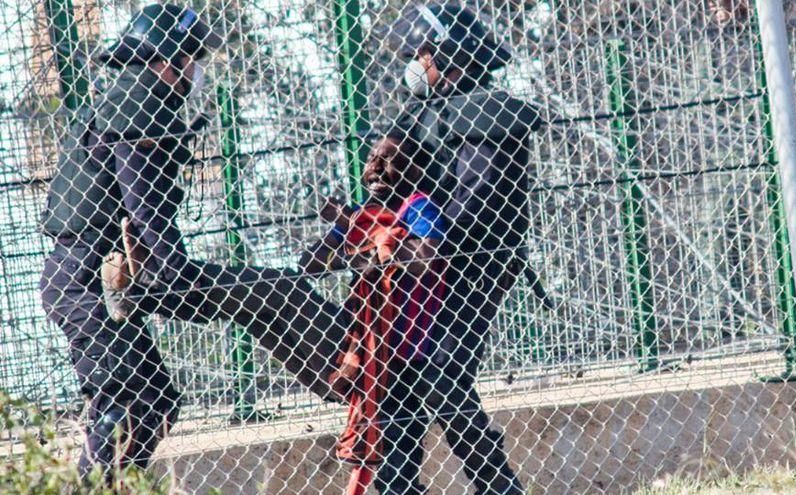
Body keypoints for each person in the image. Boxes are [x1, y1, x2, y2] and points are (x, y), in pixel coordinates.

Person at [39, 4, 345, 479]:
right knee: (128, 401)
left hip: (94, 283)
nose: (196, 70)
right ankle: (94, 486)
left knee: (155, 399)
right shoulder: (137, 102)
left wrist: (169, 273)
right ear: (168, 58)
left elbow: (141, 215)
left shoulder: (126, 97)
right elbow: (144, 208)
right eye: (191, 57)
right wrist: (175, 275)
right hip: (89, 289)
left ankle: (115, 485)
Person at [382, 2, 545, 493]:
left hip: (479, 264)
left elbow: (474, 207)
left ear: (445, 54)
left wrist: (423, 244)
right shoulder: (427, 111)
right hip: (428, 266)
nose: (413, 62)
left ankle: (499, 487)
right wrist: (386, 161)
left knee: (442, 369)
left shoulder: (488, 115)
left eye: (421, 53)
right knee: (403, 375)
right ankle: (398, 487)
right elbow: (398, 165)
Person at [299, 131, 447, 495]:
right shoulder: (360, 215)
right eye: (371, 159)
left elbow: (425, 257)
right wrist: (349, 231)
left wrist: (382, 246)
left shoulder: (417, 206)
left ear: (415, 170)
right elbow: (311, 265)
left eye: (391, 160)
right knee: (376, 446)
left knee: (398, 449)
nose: (377, 169)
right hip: (368, 344)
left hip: (408, 347)